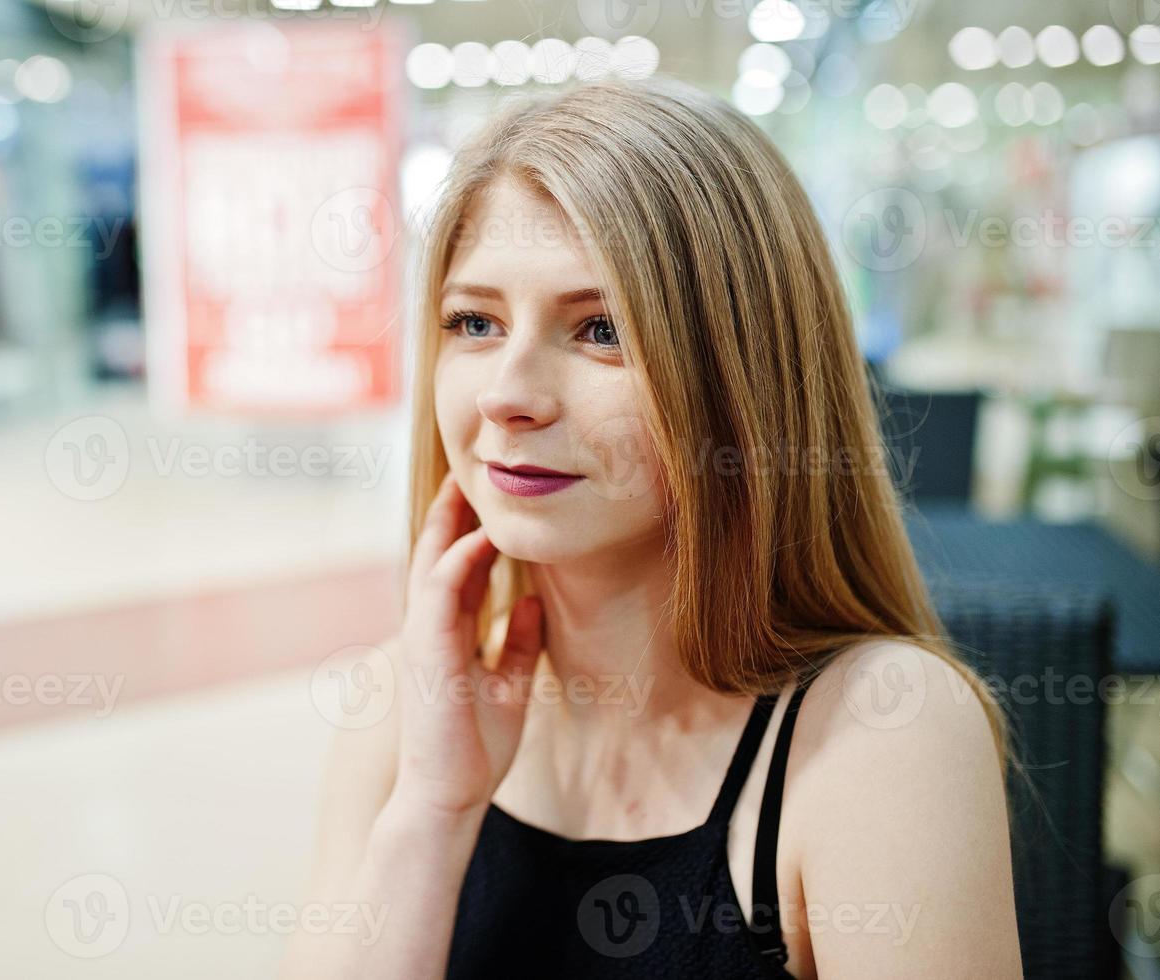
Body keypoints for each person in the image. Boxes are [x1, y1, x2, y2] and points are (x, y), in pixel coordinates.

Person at [279, 76, 1022, 979]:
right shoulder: (408, 694)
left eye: (600, 329)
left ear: (745, 378)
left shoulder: (877, 733)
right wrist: (435, 808)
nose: (509, 393)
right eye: (474, 321)